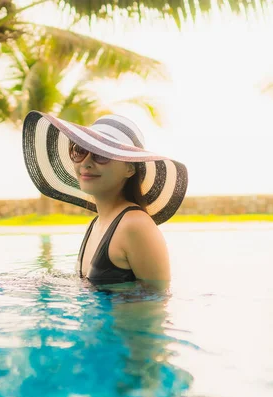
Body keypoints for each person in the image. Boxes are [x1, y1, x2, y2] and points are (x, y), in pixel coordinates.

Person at [22, 111, 188, 286]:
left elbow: (157, 302)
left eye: (101, 155)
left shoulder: (135, 225)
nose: (85, 163)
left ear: (129, 169)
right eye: (80, 150)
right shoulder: (96, 224)